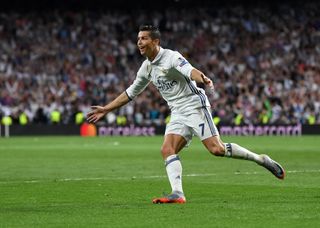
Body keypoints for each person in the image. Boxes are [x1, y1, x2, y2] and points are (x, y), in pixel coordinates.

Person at [87, 25, 285, 204]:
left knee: (216, 149)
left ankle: (260, 159)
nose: (139, 42)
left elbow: (190, 70)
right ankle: (177, 193)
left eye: (144, 38)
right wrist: (106, 108)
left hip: (194, 106)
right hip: (177, 112)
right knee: (167, 149)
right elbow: (131, 92)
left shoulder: (171, 57)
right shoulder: (146, 68)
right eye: (138, 38)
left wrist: (203, 78)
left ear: (155, 42)